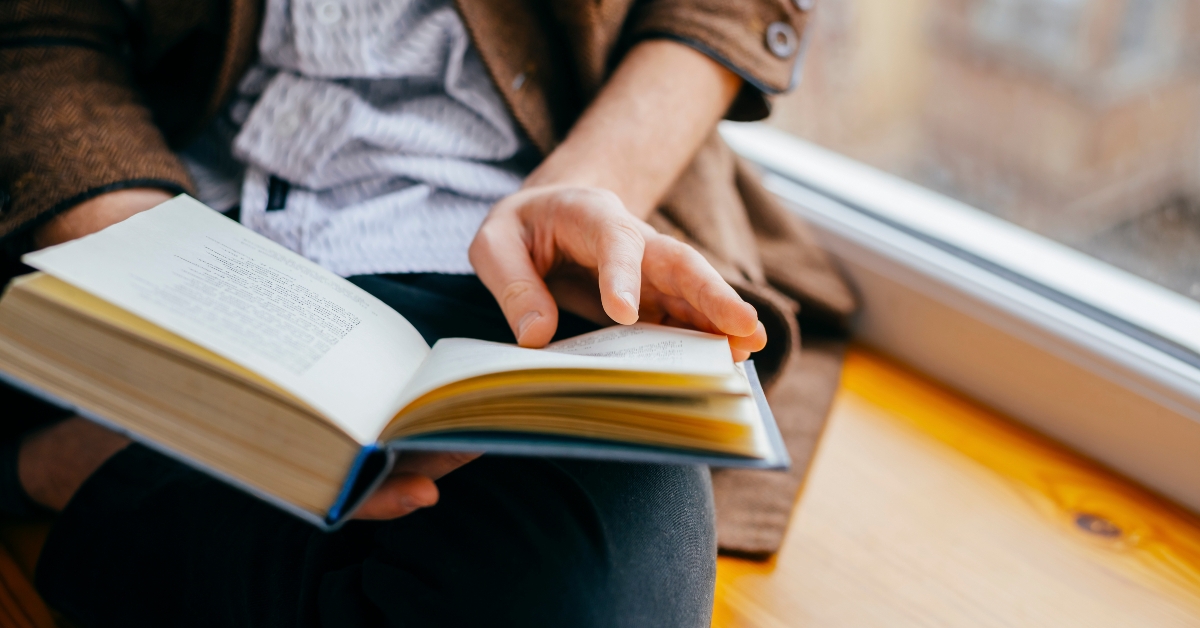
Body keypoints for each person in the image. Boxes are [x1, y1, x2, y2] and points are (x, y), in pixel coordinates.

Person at [0, 0, 845, 625]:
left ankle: (98, 463)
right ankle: (123, 450)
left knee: (588, 585)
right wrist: (159, 285)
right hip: (190, 210)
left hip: (522, 239)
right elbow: (39, 27)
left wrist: (583, 188)